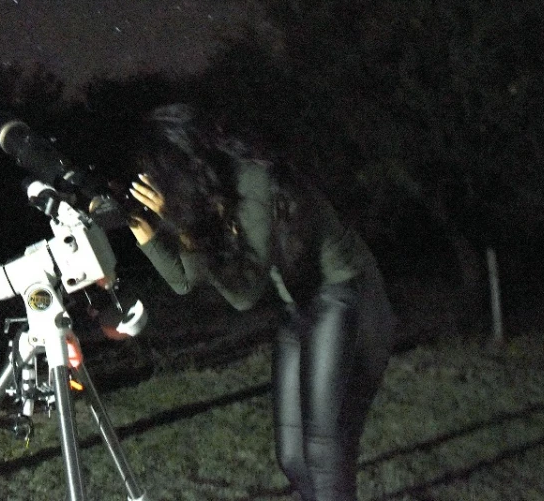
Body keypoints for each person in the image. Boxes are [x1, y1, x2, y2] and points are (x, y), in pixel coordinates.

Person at [127, 103, 395, 501]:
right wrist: (146, 233)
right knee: (292, 457)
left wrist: (186, 229)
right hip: (300, 302)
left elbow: (243, 297)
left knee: (323, 450)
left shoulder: (253, 182)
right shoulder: (209, 192)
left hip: (346, 294)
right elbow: (186, 281)